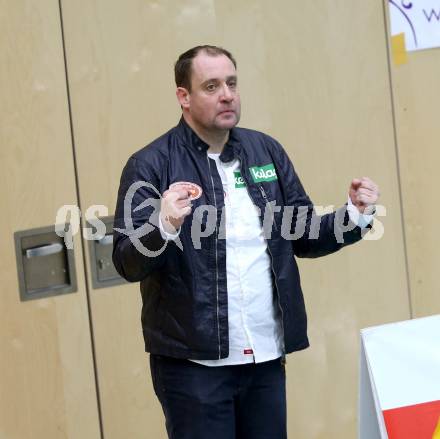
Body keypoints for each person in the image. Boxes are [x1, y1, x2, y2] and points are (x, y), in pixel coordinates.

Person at [112, 45, 380, 439]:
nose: (227, 94)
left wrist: (354, 214)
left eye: (232, 83)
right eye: (211, 85)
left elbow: (302, 234)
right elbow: (126, 261)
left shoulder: (265, 151)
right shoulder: (151, 164)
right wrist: (163, 223)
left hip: (266, 357)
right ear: (183, 97)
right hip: (193, 366)